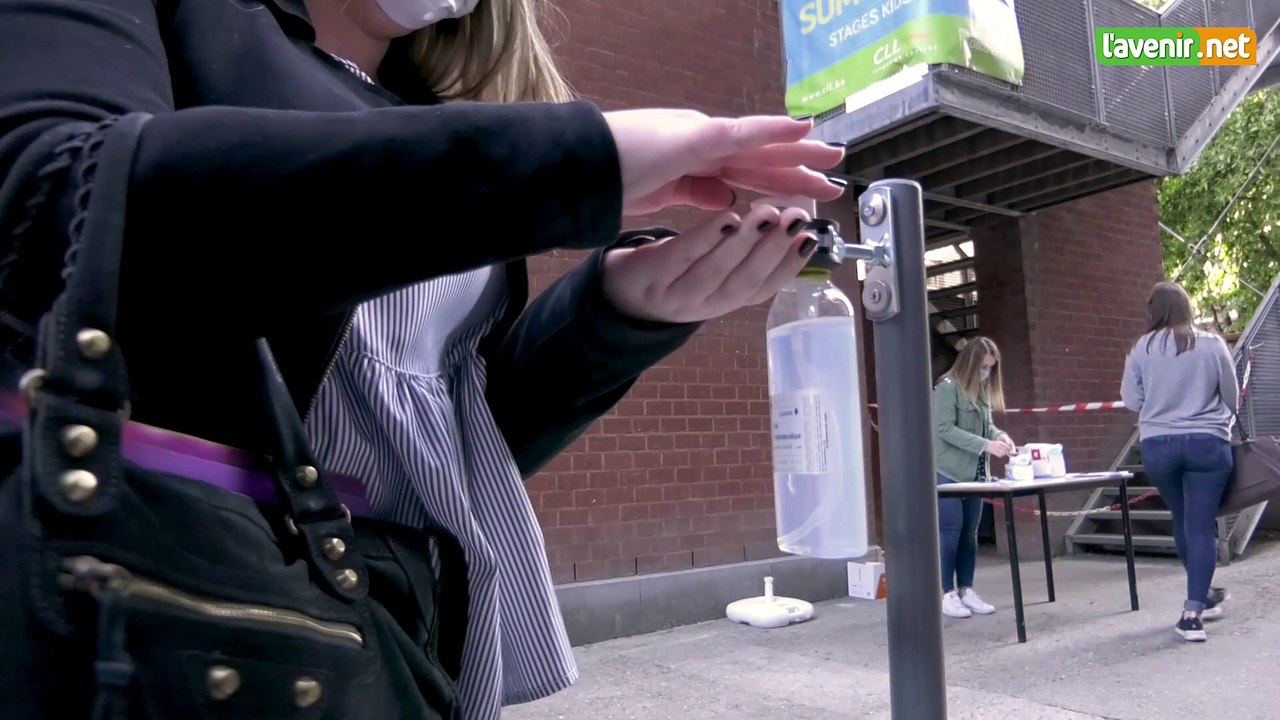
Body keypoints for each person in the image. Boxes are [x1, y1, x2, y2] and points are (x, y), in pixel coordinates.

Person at [0, 0, 848, 716]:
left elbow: (448, 447)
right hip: (194, 610)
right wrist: (560, 165)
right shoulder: (177, 23)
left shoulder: (423, 107)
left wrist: (619, 315)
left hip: (405, 630)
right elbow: (58, 206)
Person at [1121, 281, 1238, 643]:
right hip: (1207, 444)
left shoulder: (1142, 348)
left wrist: (1162, 406)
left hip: (1159, 446)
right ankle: (1192, 613)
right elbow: (1232, 395)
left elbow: (1130, 399)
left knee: (1182, 519)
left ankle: (1201, 596)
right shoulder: (1212, 344)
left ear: (1154, 310)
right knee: (1200, 526)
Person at [932, 336, 1015, 619]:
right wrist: (984, 445)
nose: (986, 373)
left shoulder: (980, 392)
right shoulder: (947, 389)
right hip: (948, 471)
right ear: (969, 363)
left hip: (976, 474)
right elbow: (943, 429)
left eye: (990, 368)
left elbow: (988, 425)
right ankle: (946, 592)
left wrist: (999, 436)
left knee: (970, 534)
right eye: (983, 367)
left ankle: (966, 589)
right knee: (950, 532)